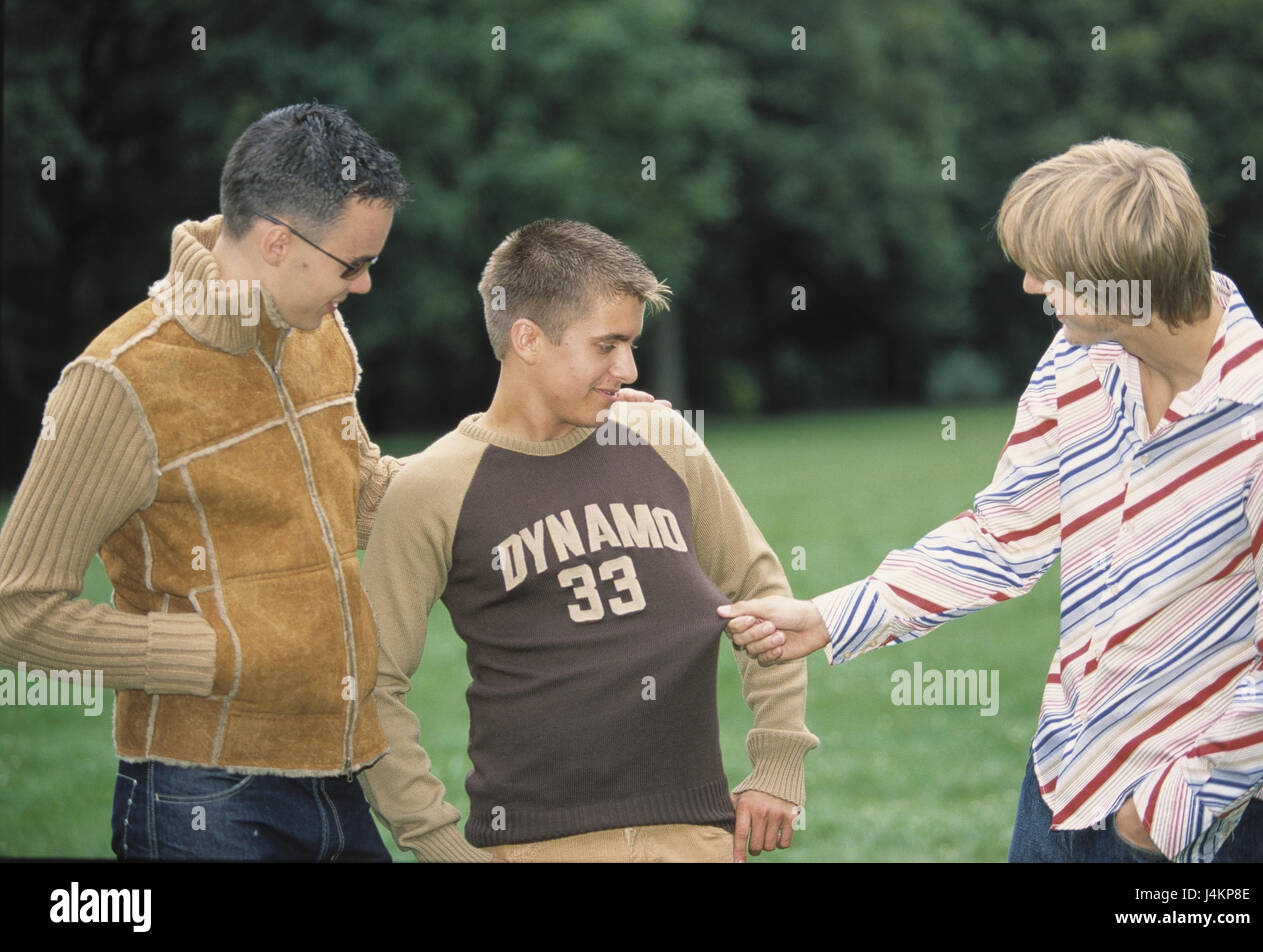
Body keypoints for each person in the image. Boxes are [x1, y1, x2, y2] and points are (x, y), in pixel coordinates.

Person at [721, 138, 1263, 863]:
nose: (1029, 285)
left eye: (1046, 270)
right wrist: (828, 616)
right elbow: (1002, 535)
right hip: (1059, 783)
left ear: (1116, 283)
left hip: (1196, 826)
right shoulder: (1077, 360)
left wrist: (1164, 816)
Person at [0, 102, 413, 861]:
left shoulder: (317, 337)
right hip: (200, 799)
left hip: (341, 775)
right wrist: (212, 657)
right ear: (280, 241)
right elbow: (16, 611)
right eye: (353, 265)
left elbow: (362, 500)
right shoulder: (118, 380)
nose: (362, 288)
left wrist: (525, 446)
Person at [357, 219, 818, 862]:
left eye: (631, 345)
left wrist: (776, 762)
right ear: (528, 340)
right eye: (608, 345)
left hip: (696, 839)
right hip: (534, 846)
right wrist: (437, 844)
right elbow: (371, 683)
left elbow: (760, 595)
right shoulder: (431, 489)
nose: (627, 368)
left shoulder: (662, 439)